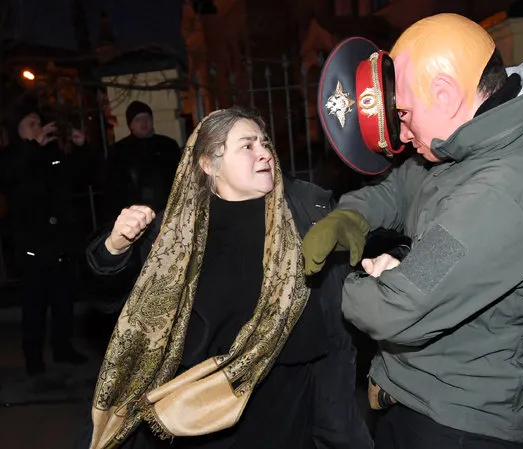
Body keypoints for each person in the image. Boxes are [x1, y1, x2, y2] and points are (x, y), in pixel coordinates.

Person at [304, 13, 523, 449]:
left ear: (445, 94)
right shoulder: (469, 140)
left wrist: (335, 281)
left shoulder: (501, 195)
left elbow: (396, 308)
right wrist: (351, 217)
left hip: (458, 426)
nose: (399, 130)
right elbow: (399, 187)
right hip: (423, 405)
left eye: (405, 113)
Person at [77, 107, 372, 449]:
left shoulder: (308, 210)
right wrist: (113, 248)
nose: (264, 153)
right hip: (205, 401)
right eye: (247, 146)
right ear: (208, 164)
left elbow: (359, 251)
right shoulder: (178, 233)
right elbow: (111, 298)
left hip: (288, 394)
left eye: (264, 143)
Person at [0, 97, 87, 375]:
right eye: (32, 124)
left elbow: (81, 177)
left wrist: (81, 148)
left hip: (59, 242)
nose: (39, 128)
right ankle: (33, 357)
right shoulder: (12, 155)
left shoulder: (52, 153)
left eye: (40, 123)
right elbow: (9, 176)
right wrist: (30, 147)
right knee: (34, 305)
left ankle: (63, 348)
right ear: (18, 128)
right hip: (30, 244)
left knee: (63, 301)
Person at [103, 100, 182, 219]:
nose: (144, 123)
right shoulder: (120, 151)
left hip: (166, 212)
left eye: (147, 118)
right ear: (130, 125)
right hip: (134, 215)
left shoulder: (167, 146)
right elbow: (113, 188)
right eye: (138, 119)